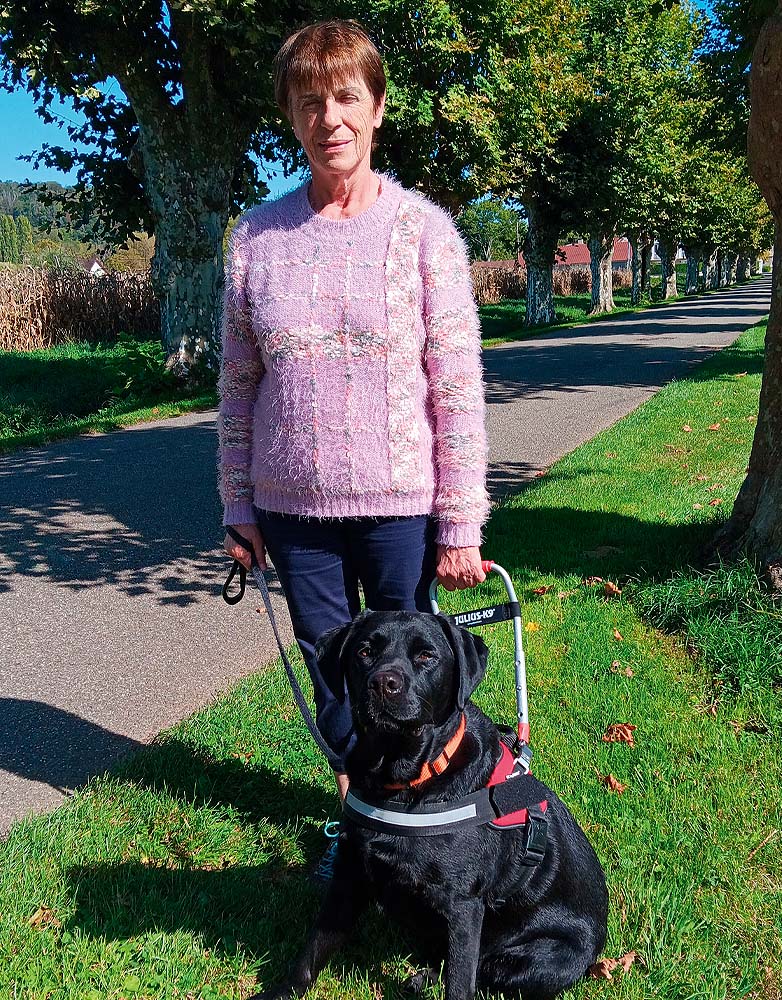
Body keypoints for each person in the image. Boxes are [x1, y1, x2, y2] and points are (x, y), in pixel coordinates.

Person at [218, 18, 489, 862]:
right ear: (292, 119)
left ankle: (426, 810)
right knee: (333, 672)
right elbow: (236, 385)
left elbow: (455, 387)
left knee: (408, 673)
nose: (328, 116)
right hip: (291, 511)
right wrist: (237, 503)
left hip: (400, 510)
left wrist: (461, 522)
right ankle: (364, 812)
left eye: (345, 96)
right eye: (309, 101)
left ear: (375, 110)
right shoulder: (256, 240)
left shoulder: (424, 233)